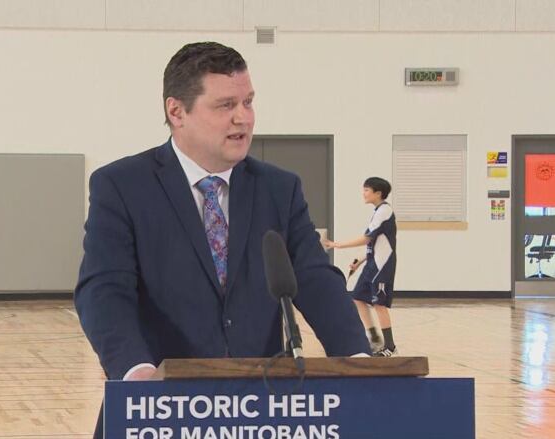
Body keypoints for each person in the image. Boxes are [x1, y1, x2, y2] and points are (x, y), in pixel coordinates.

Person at [74, 41, 370, 438]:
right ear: (176, 111)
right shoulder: (122, 186)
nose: (243, 118)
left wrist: (358, 359)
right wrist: (135, 370)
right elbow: (104, 289)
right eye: (226, 106)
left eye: (248, 102)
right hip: (159, 411)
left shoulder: (280, 190)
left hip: (258, 414)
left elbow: (316, 279)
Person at [323, 177, 398, 357]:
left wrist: (337, 245)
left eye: (366, 190)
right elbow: (377, 242)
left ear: (378, 193)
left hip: (382, 266)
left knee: (379, 304)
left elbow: (367, 238)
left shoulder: (385, 211)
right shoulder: (378, 211)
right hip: (372, 263)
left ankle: (390, 347)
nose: (363, 193)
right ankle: (374, 339)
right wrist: (361, 259)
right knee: (357, 298)